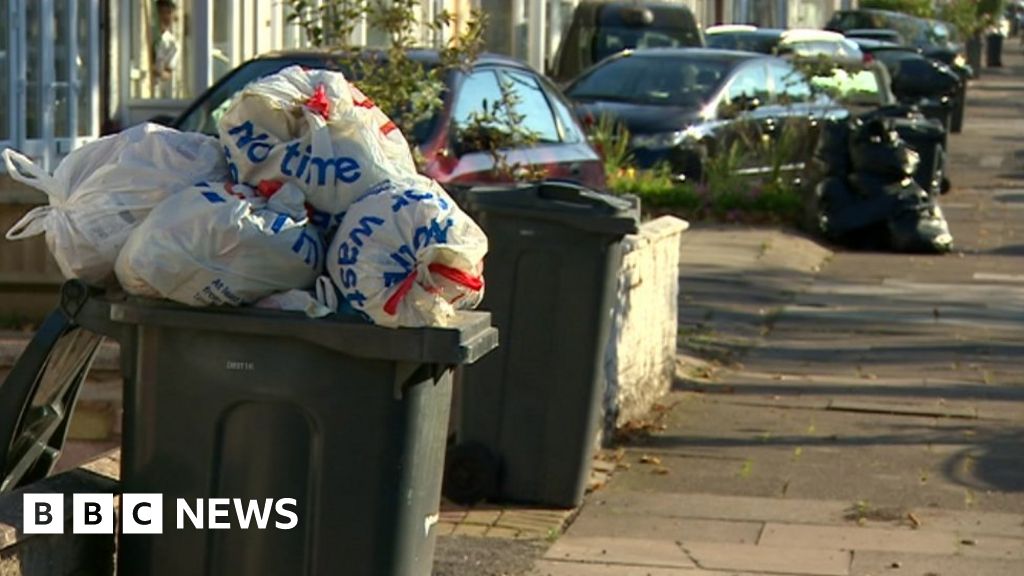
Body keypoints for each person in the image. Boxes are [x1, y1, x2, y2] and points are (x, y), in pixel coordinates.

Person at [152, 0, 179, 98]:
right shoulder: (149, 33)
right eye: (163, 12)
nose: (166, 16)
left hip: (155, 90)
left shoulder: (172, 44)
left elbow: (168, 74)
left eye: (169, 12)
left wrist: (156, 70)